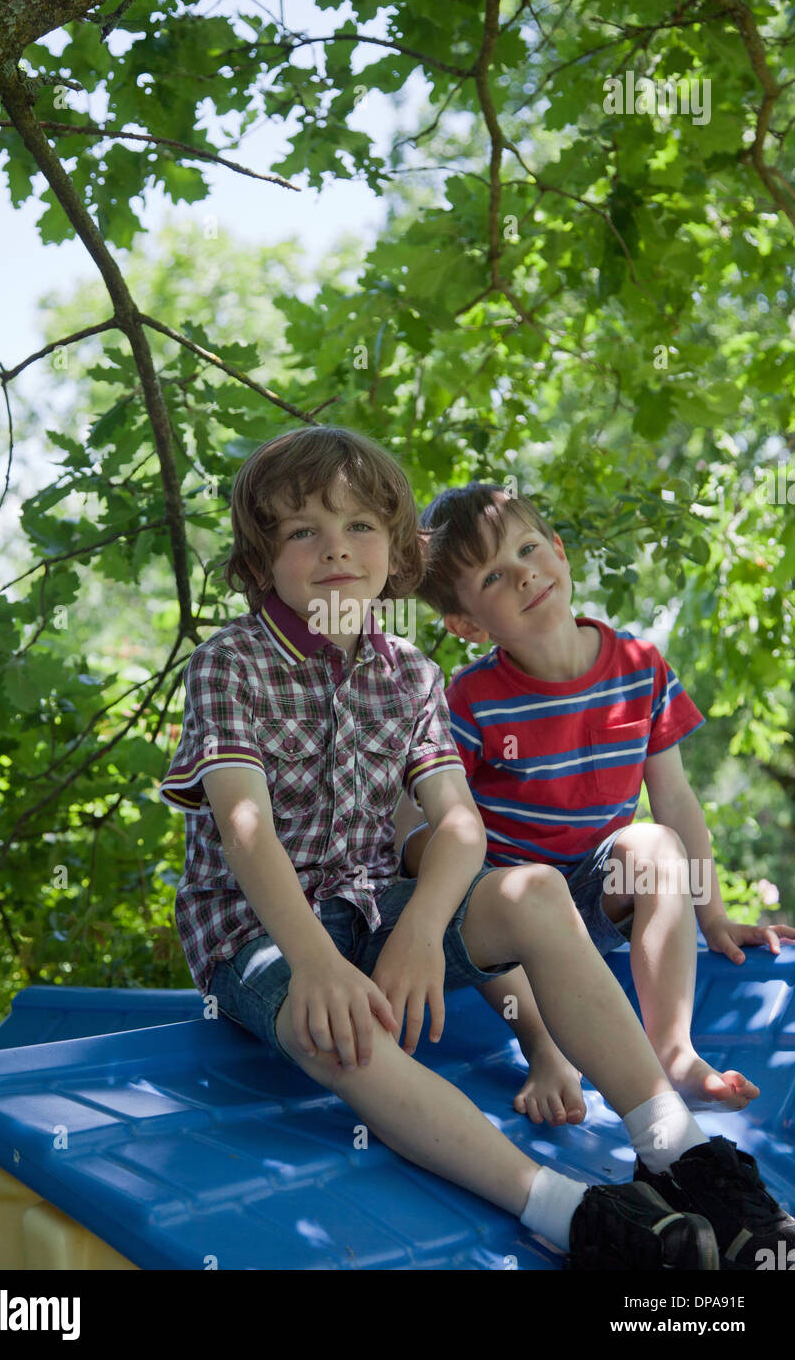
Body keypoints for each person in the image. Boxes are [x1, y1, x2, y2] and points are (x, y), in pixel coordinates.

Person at [158, 429, 787, 1270]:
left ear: (394, 551)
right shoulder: (228, 663)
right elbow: (247, 830)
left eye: (359, 526)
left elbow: (458, 823)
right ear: (259, 558)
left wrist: (422, 929)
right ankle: (568, 1211)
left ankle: (678, 1150)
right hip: (262, 936)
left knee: (531, 891)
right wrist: (317, 964)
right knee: (337, 1028)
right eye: (303, 530)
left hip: (375, 912)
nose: (336, 548)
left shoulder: (410, 673)